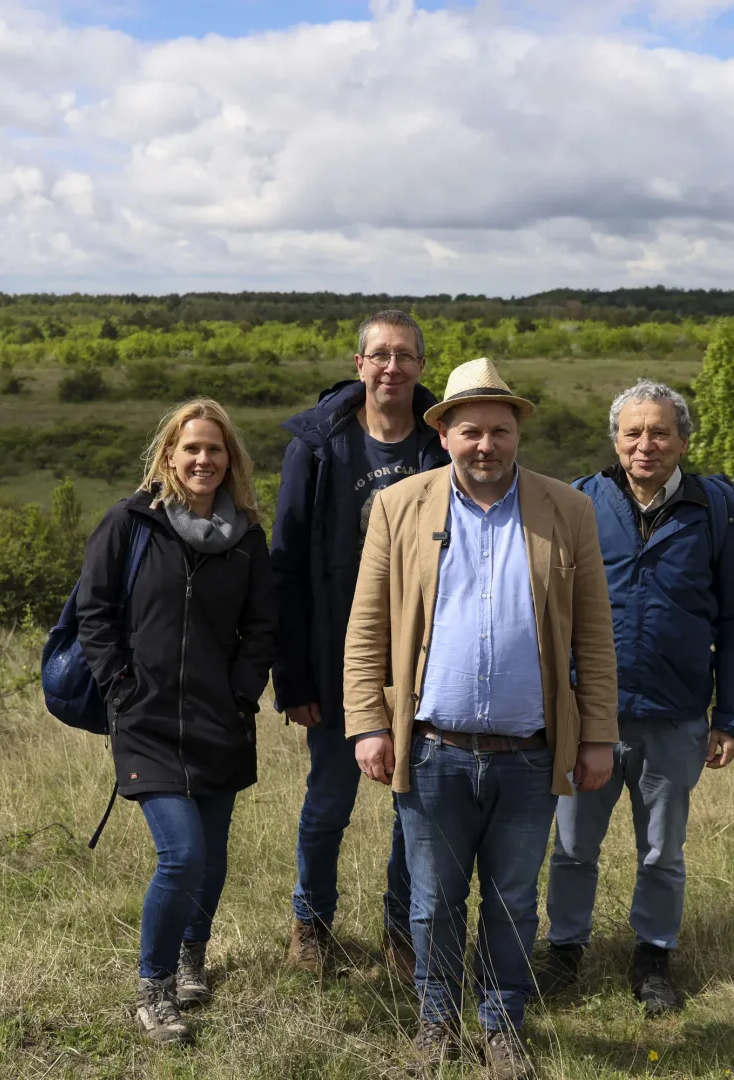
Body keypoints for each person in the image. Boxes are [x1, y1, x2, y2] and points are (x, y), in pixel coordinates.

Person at [344, 357, 619, 1079]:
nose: (486, 445)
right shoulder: (399, 508)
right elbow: (367, 627)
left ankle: (503, 1027)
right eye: (471, 431)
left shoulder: (569, 511)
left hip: (530, 752)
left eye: (499, 430)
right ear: (444, 435)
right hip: (433, 749)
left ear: (518, 431)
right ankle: (436, 1025)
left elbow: (593, 636)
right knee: (432, 904)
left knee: (512, 902)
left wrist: (597, 735)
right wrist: (368, 723)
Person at [538, 379, 734, 1016]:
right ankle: (565, 951)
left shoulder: (715, 510)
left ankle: (653, 958)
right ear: (615, 439)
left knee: (663, 849)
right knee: (573, 845)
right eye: (633, 432)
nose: (646, 444)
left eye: (660, 431)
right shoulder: (580, 501)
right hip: (589, 714)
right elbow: (550, 612)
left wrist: (732, 717)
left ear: (683, 440)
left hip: (677, 714)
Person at [75, 398, 277, 1045]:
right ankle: (155, 988)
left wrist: (244, 693)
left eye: (215, 449)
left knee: (212, 859)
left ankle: (195, 955)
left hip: (221, 722)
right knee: (183, 854)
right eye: (191, 447)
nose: (202, 459)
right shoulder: (131, 524)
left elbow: (261, 627)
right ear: (168, 455)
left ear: (230, 460)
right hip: (147, 722)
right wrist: (119, 688)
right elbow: (94, 611)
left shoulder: (246, 536)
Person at [271, 310, 450, 974]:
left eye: (404, 356)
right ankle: (310, 923)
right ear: (359, 366)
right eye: (380, 355)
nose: (392, 367)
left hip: (424, 661)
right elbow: (285, 563)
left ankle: (401, 931)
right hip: (335, 656)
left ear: (420, 368)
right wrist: (292, 677)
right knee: (330, 801)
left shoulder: (440, 446)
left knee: (415, 805)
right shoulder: (319, 447)